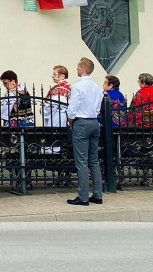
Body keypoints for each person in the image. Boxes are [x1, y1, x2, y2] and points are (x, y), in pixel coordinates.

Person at [66, 57, 104, 207]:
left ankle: (83, 196)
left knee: (81, 161)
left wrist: (70, 120)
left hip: (81, 122)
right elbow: (98, 107)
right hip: (94, 121)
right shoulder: (96, 87)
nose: (76, 69)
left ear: (82, 69)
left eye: (77, 67)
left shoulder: (77, 86)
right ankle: (97, 194)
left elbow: (73, 107)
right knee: (93, 160)